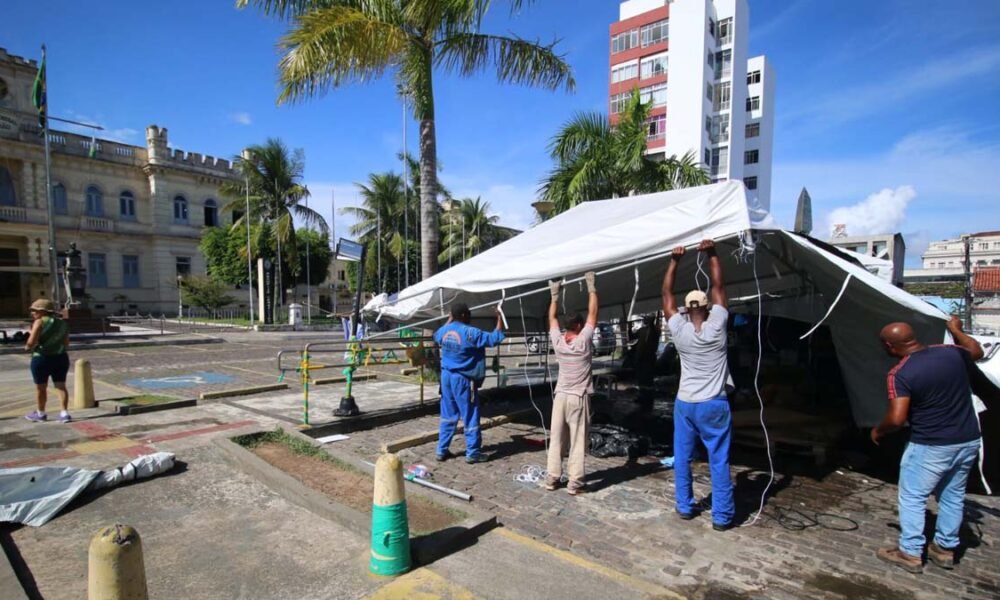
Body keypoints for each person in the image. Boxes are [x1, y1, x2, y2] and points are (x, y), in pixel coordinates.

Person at [871, 317, 986, 573]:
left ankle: (910, 552)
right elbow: (977, 351)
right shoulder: (951, 353)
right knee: (953, 496)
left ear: (890, 346)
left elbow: (898, 417)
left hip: (930, 444)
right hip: (967, 439)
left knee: (912, 497)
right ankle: (944, 548)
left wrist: (878, 430)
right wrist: (956, 331)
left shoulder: (901, 373)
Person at [662, 239, 734, 531]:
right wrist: (712, 254)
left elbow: (666, 294)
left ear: (686, 308)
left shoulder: (678, 330)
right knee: (719, 459)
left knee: (683, 456)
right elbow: (718, 287)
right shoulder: (717, 325)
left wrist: (674, 260)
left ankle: (684, 506)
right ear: (706, 307)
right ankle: (722, 516)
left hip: (685, 402)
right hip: (713, 402)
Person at [545, 271, 598, 495]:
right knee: (577, 440)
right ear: (578, 326)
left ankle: (552, 477)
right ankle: (575, 483)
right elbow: (594, 312)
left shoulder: (558, 341)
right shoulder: (583, 341)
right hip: (577, 397)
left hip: (561, 396)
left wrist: (554, 295)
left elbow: (552, 318)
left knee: (556, 437)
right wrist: (591, 286)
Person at [433, 303, 505, 464]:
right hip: (463, 379)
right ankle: (473, 452)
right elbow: (495, 338)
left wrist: (449, 319)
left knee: (448, 415)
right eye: (469, 314)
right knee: (470, 415)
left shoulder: (445, 331)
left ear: (452, 316)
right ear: (465, 316)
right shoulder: (471, 333)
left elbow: (436, 335)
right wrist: (499, 317)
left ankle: (441, 449)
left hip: (446, 378)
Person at [23, 298, 72, 423]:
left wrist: (28, 346)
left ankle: (41, 413)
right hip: (60, 357)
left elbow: (30, 342)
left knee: (41, 387)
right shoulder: (62, 323)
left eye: (34, 311)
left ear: (42, 311)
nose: (32, 313)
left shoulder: (39, 322)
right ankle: (64, 413)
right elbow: (66, 343)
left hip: (42, 358)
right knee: (61, 386)